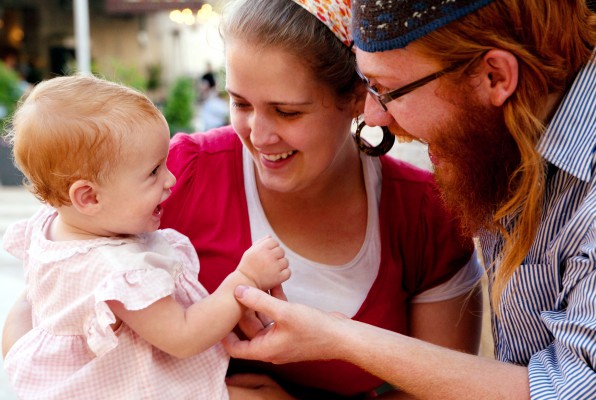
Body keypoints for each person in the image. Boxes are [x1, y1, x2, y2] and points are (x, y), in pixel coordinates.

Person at [2, 0, 483, 398]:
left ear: (358, 97)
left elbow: (443, 389)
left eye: (287, 111)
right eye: (241, 103)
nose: (259, 135)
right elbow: (47, 303)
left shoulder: (425, 214)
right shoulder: (176, 172)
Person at [221, 0, 596, 399]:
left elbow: (572, 391)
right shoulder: (499, 144)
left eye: (387, 90)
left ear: (494, 76)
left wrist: (338, 337)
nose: (372, 115)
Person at [2, 74, 290, 399]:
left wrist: (20, 351)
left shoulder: (49, 227)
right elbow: (184, 335)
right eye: (153, 171)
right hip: (133, 389)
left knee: (258, 387)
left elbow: (31, 300)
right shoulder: (119, 271)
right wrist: (247, 277)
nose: (170, 179)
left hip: (105, 381)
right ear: (89, 198)